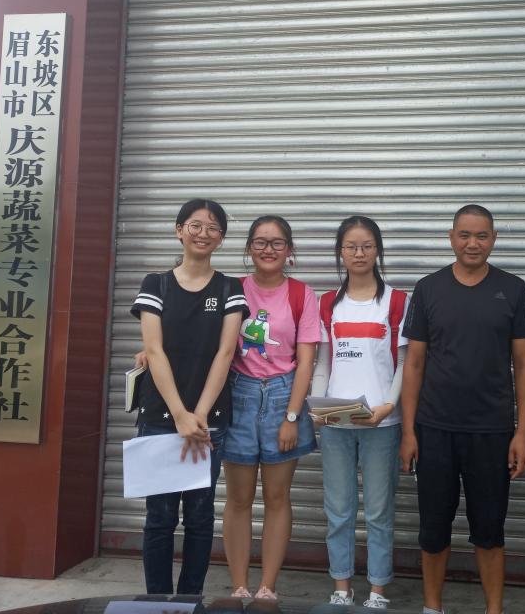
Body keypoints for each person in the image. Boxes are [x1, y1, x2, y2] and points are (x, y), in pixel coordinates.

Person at [399, 204, 525, 614]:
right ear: (451, 237)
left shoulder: (513, 289)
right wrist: (408, 432)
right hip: (434, 428)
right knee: (433, 529)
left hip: (492, 431)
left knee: (490, 530)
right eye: (464, 235)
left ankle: (494, 608)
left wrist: (523, 430)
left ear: (493, 239)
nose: (472, 243)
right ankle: (432, 607)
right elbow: (414, 364)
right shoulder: (428, 289)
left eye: (481, 236)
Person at [130, 198, 249, 595]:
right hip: (159, 417)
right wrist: (180, 414)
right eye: (195, 225)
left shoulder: (229, 288)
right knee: (159, 517)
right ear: (179, 230)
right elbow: (154, 350)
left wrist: (198, 414)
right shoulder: (156, 284)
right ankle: (157, 600)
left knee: (199, 517)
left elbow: (225, 353)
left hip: (208, 421)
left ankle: (190, 598)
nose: (203, 233)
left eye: (213, 227)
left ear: (221, 238)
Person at [312, 216, 411, 610]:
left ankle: (377, 590)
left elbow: (404, 364)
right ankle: (342, 587)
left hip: (382, 422)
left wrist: (389, 405)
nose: (359, 253)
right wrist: (316, 406)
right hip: (336, 420)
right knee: (338, 509)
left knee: (379, 511)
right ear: (341, 252)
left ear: (378, 251)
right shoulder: (326, 303)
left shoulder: (397, 302)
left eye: (367, 246)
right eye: (351, 246)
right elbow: (323, 362)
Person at [222, 215, 321, 600]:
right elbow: (206, 341)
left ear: (289, 250)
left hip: (283, 397)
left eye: (277, 243)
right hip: (239, 396)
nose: (269, 249)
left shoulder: (302, 294)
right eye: (260, 242)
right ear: (249, 248)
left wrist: (292, 417)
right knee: (238, 498)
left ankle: (267, 586)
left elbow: (306, 361)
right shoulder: (232, 289)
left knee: (278, 498)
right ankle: (239, 586)